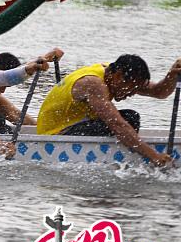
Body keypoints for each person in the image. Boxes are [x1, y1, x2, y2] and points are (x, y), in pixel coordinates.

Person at [36, 54, 180, 167]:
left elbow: (158, 92)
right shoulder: (93, 83)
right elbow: (117, 125)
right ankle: (117, 157)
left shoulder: (114, 73)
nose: (131, 94)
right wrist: (154, 156)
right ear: (117, 76)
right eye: (132, 89)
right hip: (55, 135)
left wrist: (172, 75)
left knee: (129, 119)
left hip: (74, 127)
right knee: (129, 119)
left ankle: (122, 151)